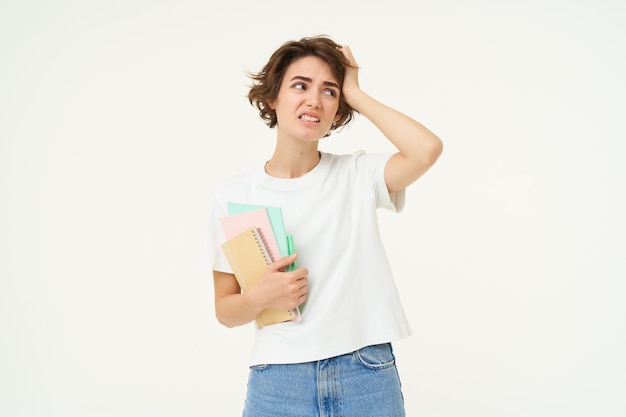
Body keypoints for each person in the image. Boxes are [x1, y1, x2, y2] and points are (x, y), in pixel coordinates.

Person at [205, 35, 443, 417]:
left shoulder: (357, 175)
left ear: (338, 111)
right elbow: (225, 310)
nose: (314, 100)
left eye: (329, 92)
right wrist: (259, 297)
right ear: (272, 98)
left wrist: (355, 92)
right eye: (300, 86)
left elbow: (426, 149)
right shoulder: (234, 195)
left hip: (365, 373)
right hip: (278, 381)